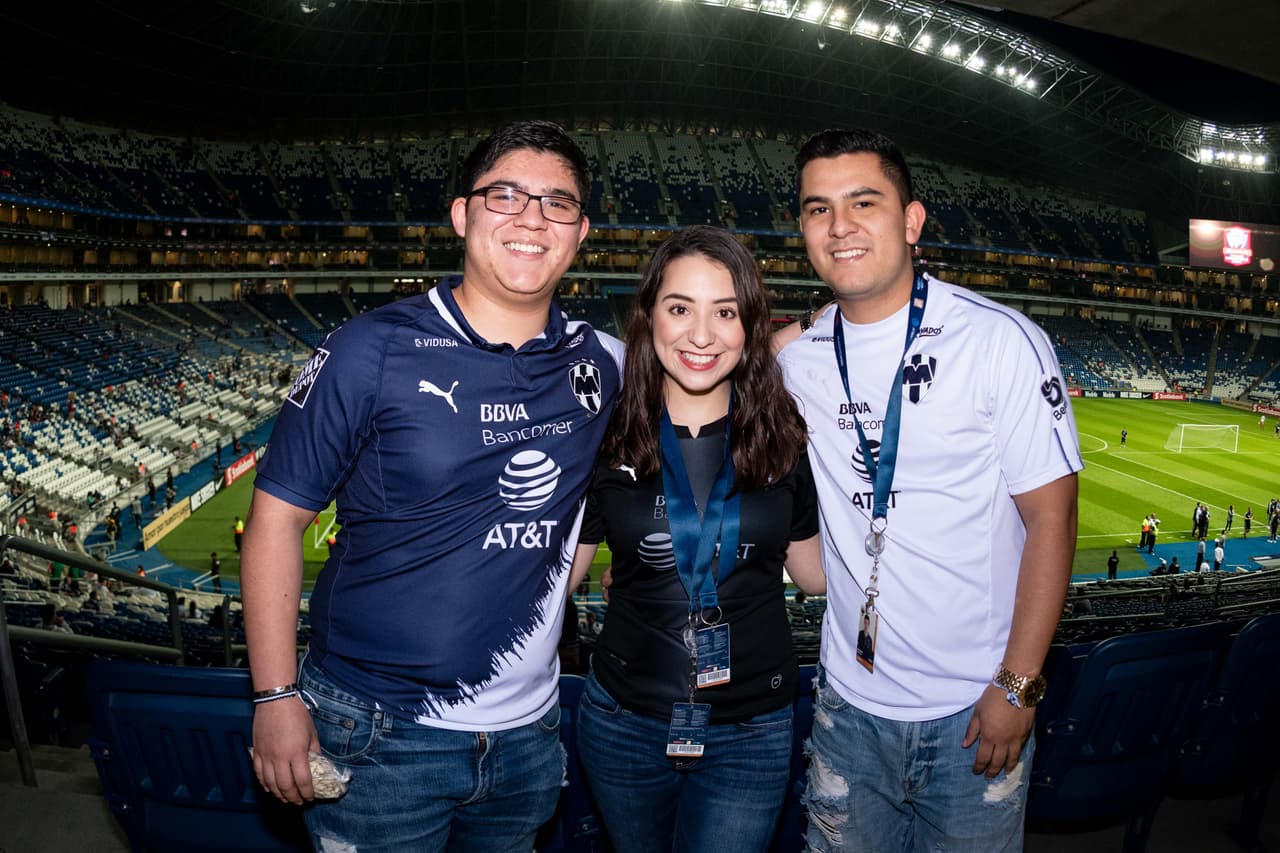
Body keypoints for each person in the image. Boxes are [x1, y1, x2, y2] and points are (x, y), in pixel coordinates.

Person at [242, 120, 624, 851]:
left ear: (580, 233)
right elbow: (275, 522)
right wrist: (275, 695)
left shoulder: (603, 362)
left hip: (530, 737)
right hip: (377, 730)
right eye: (505, 195)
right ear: (461, 215)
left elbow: (718, 359)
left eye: (557, 203)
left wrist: (821, 323)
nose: (531, 219)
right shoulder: (366, 350)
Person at [775, 127, 1082, 852]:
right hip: (847, 708)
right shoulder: (797, 360)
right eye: (818, 209)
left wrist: (1018, 685)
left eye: (863, 202)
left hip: (974, 710)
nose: (840, 226)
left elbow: (1054, 518)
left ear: (911, 220)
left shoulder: (998, 340)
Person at [568, 225, 825, 853]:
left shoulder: (784, 436)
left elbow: (814, 575)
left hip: (753, 728)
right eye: (680, 308)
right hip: (623, 722)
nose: (702, 335)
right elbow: (561, 579)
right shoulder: (606, 434)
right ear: (649, 315)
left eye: (726, 312)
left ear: (750, 324)